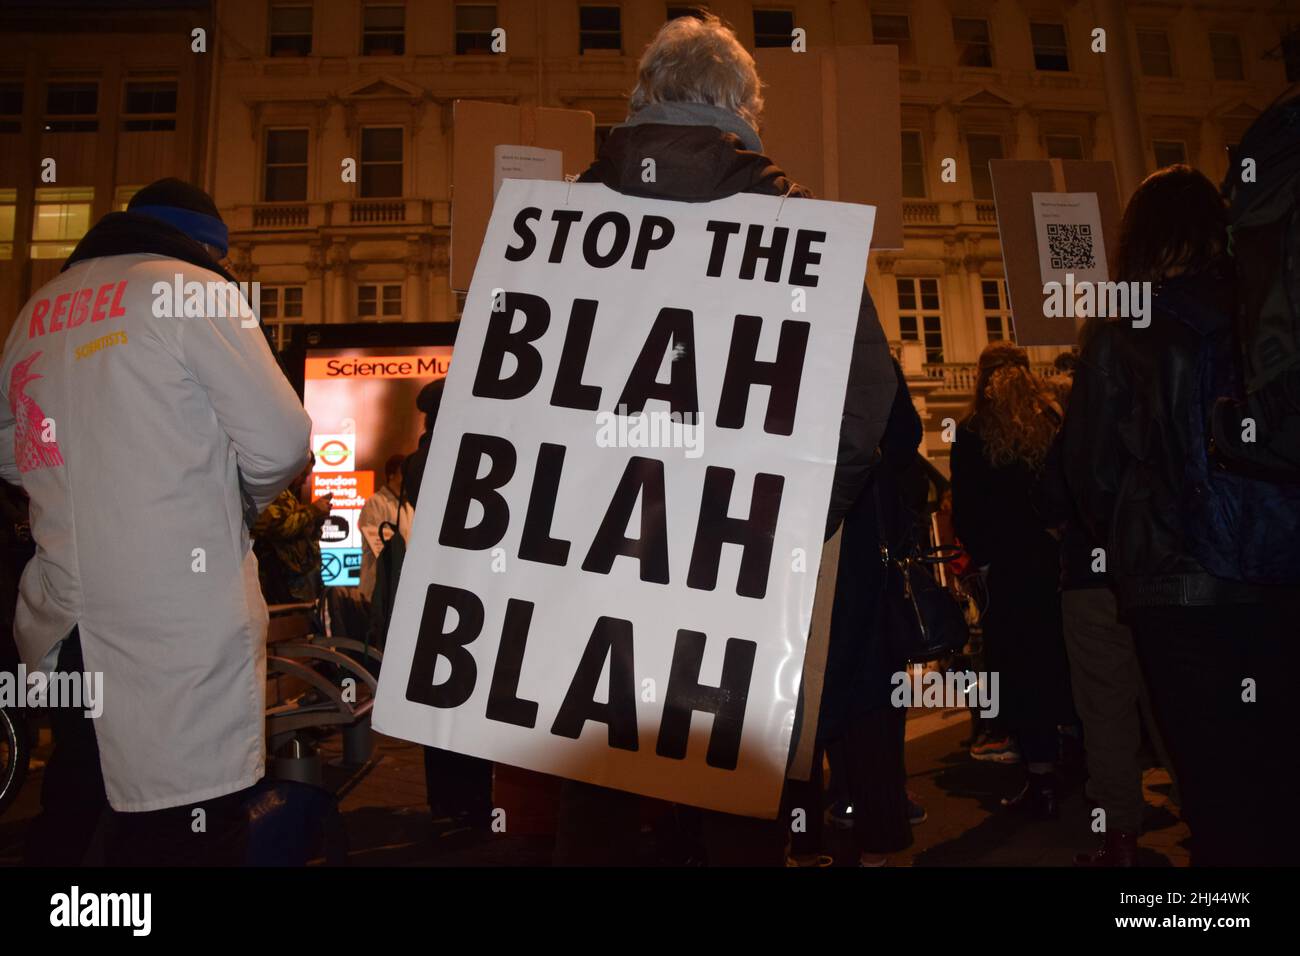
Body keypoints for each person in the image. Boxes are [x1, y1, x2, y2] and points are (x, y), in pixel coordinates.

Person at [552, 12, 896, 866]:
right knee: (735, 795)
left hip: (590, 565)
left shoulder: (559, 224)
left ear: (640, 100)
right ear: (744, 108)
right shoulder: (795, 221)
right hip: (739, 565)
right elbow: (867, 397)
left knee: (592, 787)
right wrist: (793, 524)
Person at [2, 177, 311, 866]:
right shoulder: (192, 291)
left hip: (69, 619)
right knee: (189, 818)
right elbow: (281, 440)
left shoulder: (38, 310)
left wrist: (81, 489)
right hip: (175, 621)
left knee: (77, 809)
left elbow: (12, 449)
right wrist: (233, 505)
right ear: (207, 247)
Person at [1063, 165, 1300, 866]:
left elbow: (1090, 473)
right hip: (1277, 571)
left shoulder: (1122, 331)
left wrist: (1132, 538)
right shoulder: (1268, 319)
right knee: (1280, 773)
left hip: (1175, 591)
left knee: (1213, 784)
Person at [949, 342, 1074, 820]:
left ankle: (1041, 777)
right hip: (1054, 563)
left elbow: (968, 513)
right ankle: (1079, 763)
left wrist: (982, 565)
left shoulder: (971, 432)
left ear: (983, 378)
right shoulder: (1049, 422)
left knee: (1020, 673)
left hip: (1007, 572)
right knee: (1062, 661)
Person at [252, 454, 332, 605]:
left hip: (299, 577)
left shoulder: (288, 495)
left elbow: (301, 531)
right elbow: (279, 528)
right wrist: (312, 511)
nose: (304, 481)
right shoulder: (270, 492)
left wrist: (317, 519)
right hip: (281, 579)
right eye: (302, 475)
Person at [357, 453, 412, 602]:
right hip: (377, 585)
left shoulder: (408, 506)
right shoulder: (375, 503)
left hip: (399, 584)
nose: (407, 477)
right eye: (403, 472)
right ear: (391, 475)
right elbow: (376, 542)